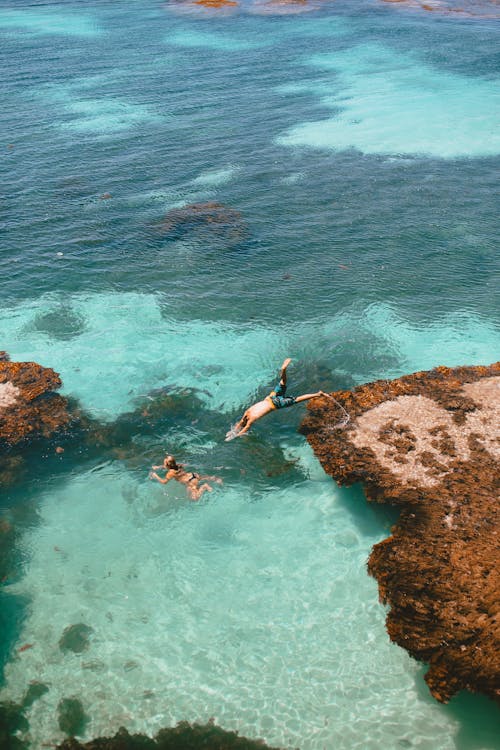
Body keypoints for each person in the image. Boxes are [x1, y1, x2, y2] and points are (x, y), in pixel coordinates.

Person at [227, 358, 325, 439]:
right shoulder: (249, 413)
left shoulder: (250, 416)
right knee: (283, 381)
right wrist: (237, 433)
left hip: (276, 404)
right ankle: (284, 370)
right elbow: (244, 425)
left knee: (297, 399)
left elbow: (244, 425)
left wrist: (236, 436)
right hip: (270, 398)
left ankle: (317, 394)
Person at [149, 455, 222, 501]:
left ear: (168, 465)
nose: (163, 465)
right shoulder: (178, 465)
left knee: (195, 499)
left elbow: (164, 482)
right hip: (193, 475)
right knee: (208, 478)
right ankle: (216, 479)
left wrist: (155, 476)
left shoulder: (170, 473)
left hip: (189, 482)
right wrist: (158, 467)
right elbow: (170, 466)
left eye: (164, 463)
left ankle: (204, 487)